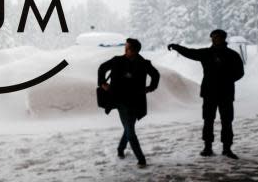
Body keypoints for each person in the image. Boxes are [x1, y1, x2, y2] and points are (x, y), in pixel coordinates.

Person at [168, 29, 244, 159]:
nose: (214, 39)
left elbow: (240, 72)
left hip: (226, 93)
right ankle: (207, 147)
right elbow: (190, 52)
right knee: (208, 121)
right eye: (212, 37)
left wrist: (227, 80)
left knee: (227, 121)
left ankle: (227, 148)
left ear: (223, 38)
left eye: (216, 37)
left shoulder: (232, 55)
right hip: (209, 93)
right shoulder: (206, 53)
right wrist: (176, 47)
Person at [98, 38, 160, 168]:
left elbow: (155, 75)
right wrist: (103, 83)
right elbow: (102, 68)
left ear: (135, 50)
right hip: (120, 100)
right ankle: (141, 159)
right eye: (125, 47)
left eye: (128, 48)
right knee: (130, 131)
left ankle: (120, 149)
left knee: (128, 127)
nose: (125, 50)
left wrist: (150, 88)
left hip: (136, 100)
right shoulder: (117, 60)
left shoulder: (143, 63)